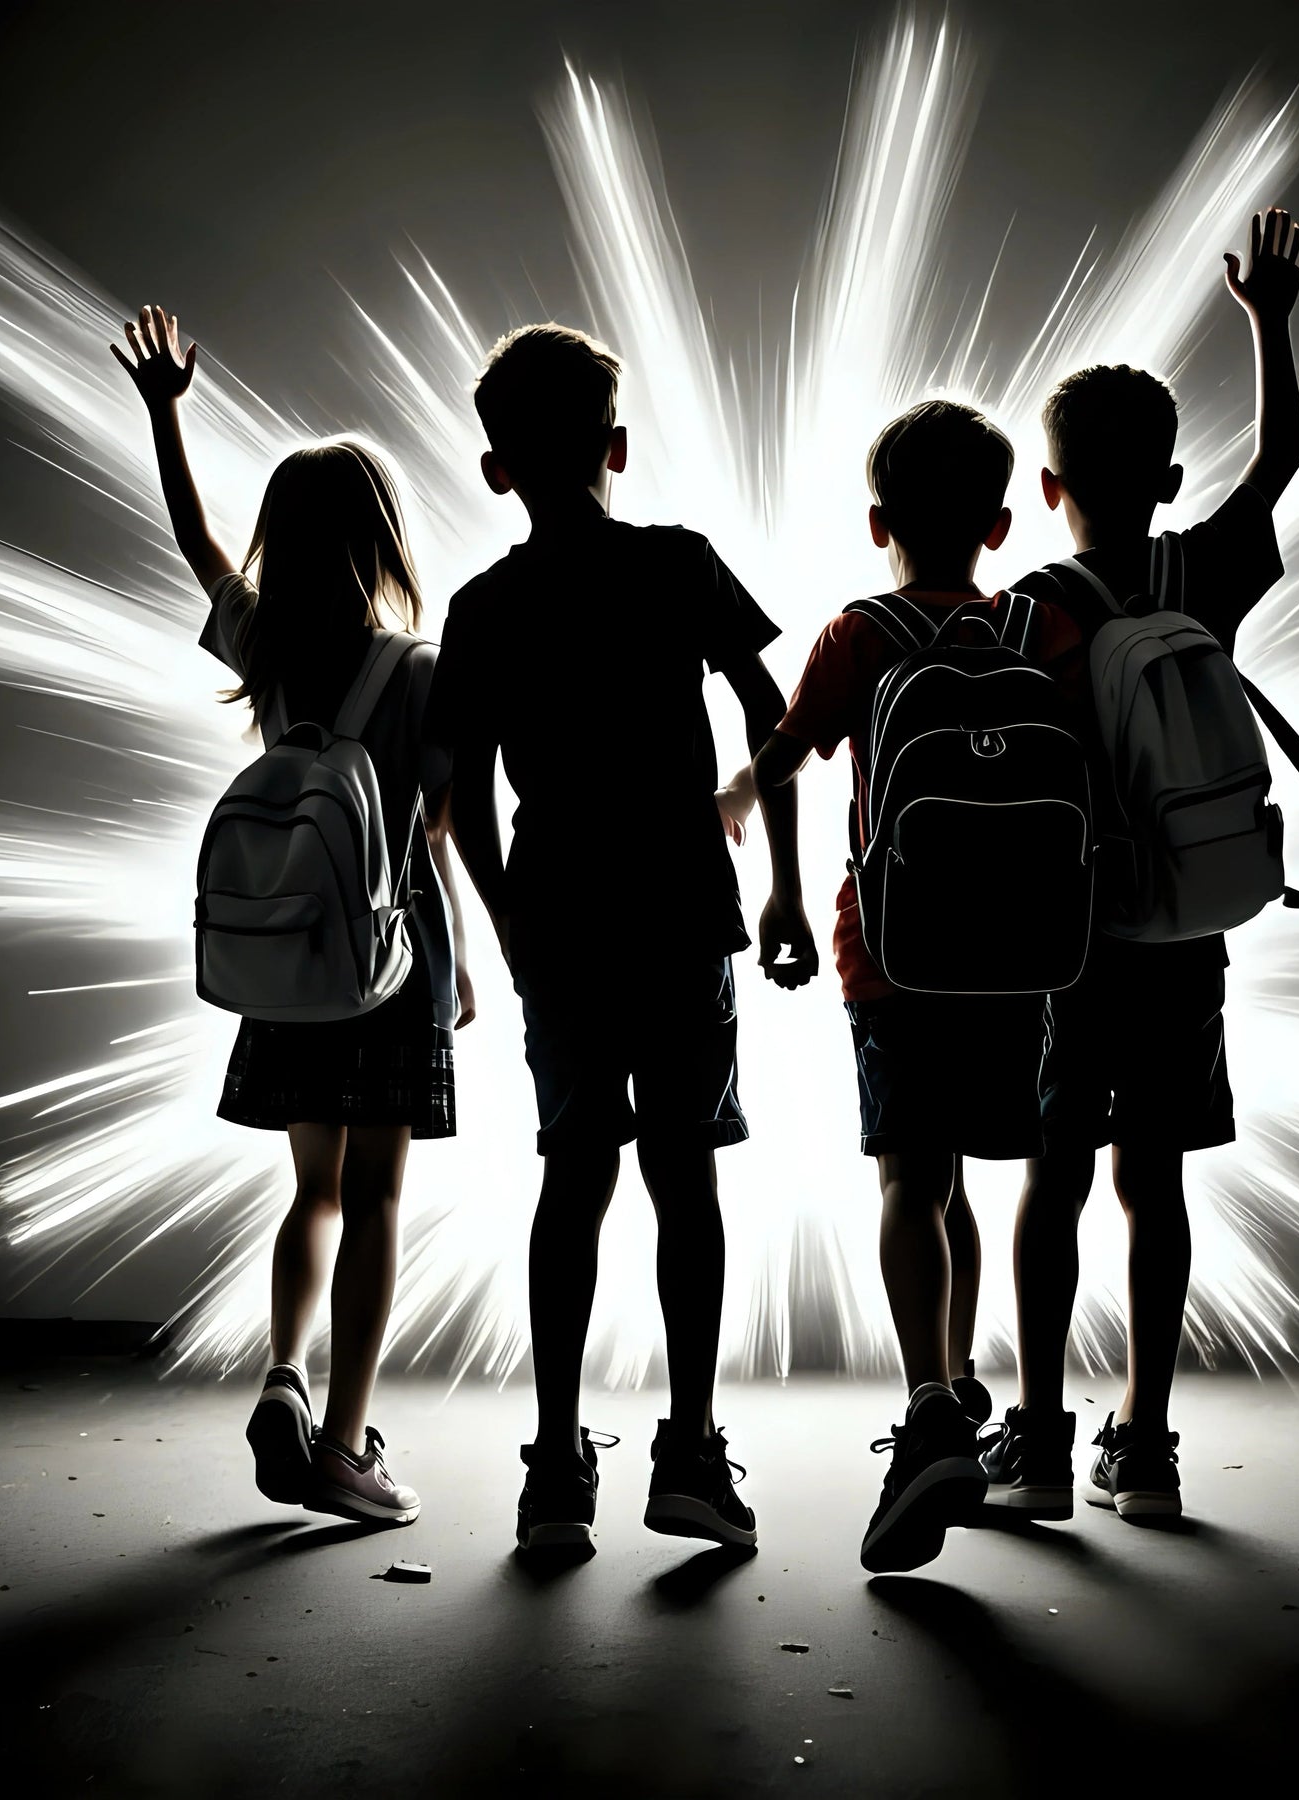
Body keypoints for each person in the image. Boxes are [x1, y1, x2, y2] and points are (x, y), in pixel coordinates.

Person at [973, 205, 1299, 1522]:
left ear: (1049, 493)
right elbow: (1283, 460)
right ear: (1171, 479)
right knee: (1155, 1183)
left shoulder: (1030, 611)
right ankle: (1152, 1446)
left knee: (1053, 1186)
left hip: (1070, 948)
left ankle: (1047, 1448)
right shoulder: (1202, 576)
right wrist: (1268, 323)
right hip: (1187, 934)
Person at [424, 323, 793, 1555]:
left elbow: (459, 791)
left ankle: (554, 1469)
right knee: (683, 1173)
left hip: (561, 917)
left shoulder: (481, 609)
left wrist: (503, 907)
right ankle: (688, 1451)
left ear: (497, 470)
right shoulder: (680, 565)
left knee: (572, 1178)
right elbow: (771, 710)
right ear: (616, 445)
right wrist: (781, 873)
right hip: (682, 905)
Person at [112, 305, 475, 1526]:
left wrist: (167, 414)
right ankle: (347, 1441)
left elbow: (195, 546)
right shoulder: (415, 671)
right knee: (376, 1198)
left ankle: (283, 1378)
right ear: (382, 538)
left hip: (292, 957)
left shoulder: (267, 648)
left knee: (311, 1190)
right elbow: (439, 836)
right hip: (384, 959)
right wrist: (468, 961)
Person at [752, 400, 1081, 1572]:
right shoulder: (1037, 632)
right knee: (965, 1192)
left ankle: (930, 1406)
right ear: (999, 524)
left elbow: (786, 754)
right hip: (1023, 962)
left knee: (909, 1177)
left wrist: (754, 840)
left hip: (891, 958)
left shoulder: (857, 634)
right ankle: (964, 1391)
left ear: (879, 519)